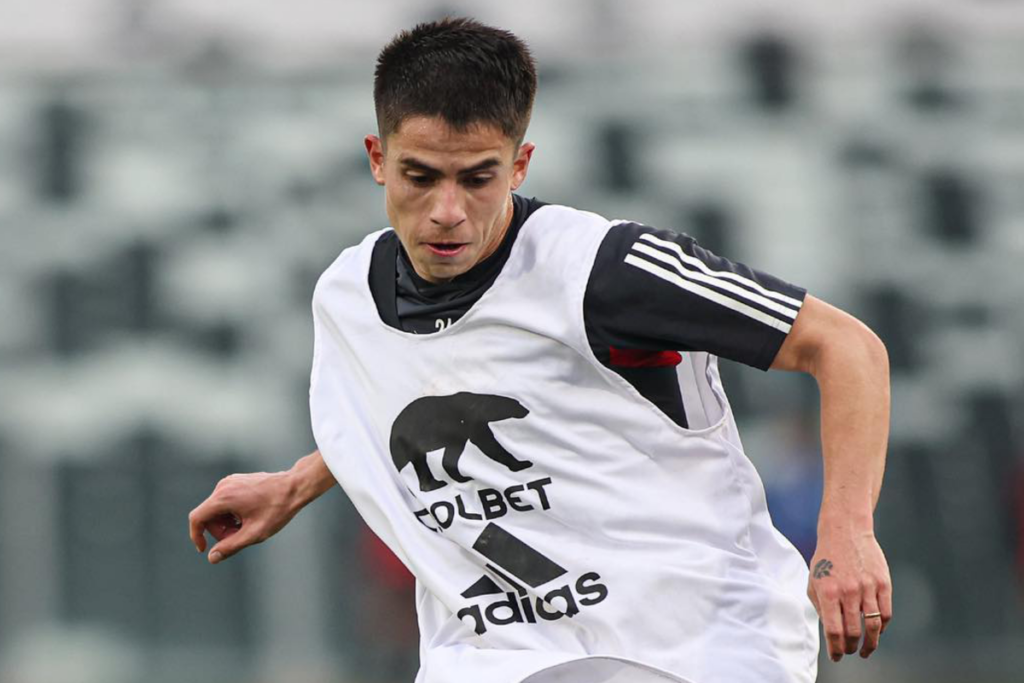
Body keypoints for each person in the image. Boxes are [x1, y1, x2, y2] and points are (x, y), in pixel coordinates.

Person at [188, 17, 892, 683]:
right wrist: (297, 482)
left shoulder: (605, 269)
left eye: (478, 177)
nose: (447, 211)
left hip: (689, 643)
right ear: (378, 159)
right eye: (421, 175)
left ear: (520, 165)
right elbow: (418, 407)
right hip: (500, 652)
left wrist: (848, 532)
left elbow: (846, 346)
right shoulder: (346, 295)